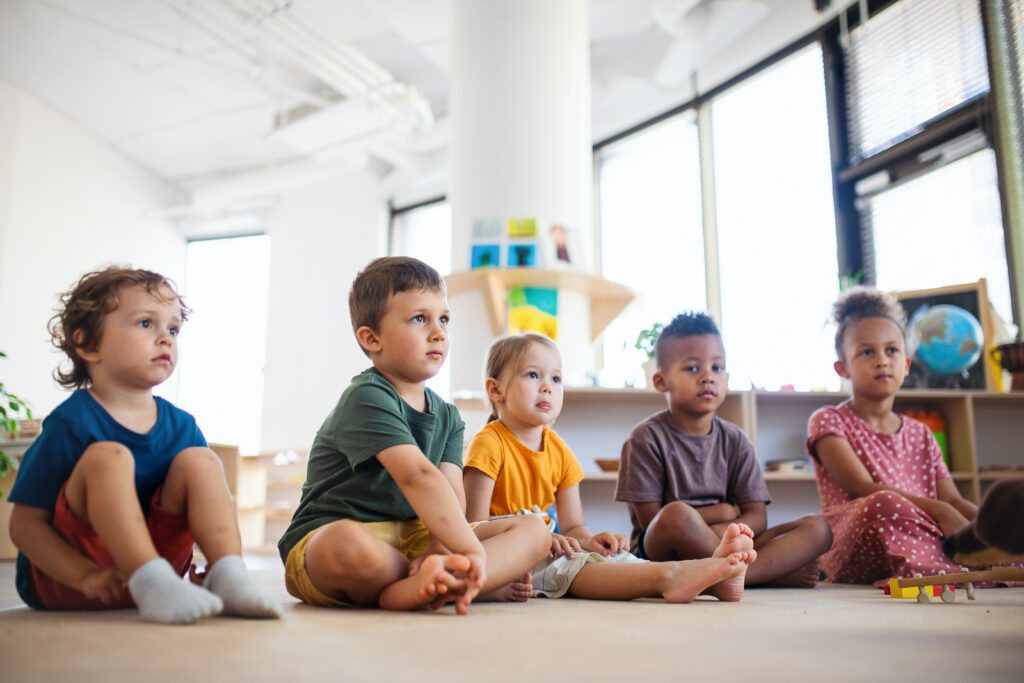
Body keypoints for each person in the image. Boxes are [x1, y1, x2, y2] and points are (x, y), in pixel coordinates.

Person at [8, 267, 281, 624]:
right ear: (89, 344)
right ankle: (148, 578)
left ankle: (228, 574)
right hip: (78, 578)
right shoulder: (71, 422)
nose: (166, 338)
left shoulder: (182, 426)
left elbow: (207, 506)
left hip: (166, 574)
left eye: (172, 329)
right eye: (145, 324)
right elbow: (25, 525)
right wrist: (84, 576)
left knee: (201, 460)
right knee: (109, 456)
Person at [277, 257, 549, 615]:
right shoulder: (367, 396)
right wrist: (470, 553)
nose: (438, 332)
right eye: (420, 319)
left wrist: (440, 547)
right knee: (344, 544)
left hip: (417, 539)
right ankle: (452, 581)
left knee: (535, 530)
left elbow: (452, 492)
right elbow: (418, 477)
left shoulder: (448, 416)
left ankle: (441, 580)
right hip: (347, 536)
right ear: (371, 338)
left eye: (444, 319)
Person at [464, 333, 755, 603]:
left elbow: (574, 526)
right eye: (532, 375)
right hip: (512, 556)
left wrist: (590, 540)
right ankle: (668, 578)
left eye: (556, 379)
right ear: (495, 389)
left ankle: (712, 579)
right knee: (578, 570)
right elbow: (474, 528)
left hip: (550, 549)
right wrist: (541, 540)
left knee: (613, 559)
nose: (547, 387)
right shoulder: (489, 443)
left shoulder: (560, 450)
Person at [616, 312, 832, 587]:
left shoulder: (736, 440)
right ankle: (755, 576)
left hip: (730, 540)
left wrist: (726, 530)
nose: (708, 377)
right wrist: (723, 514)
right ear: (661, 381)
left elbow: (757, 518)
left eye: (717, 368)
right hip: (665, 553)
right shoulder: (645, 438)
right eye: (692, 368)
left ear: (727, 378)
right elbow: (655, 523)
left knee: (819, 527)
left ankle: (734, 576)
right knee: (677, 515)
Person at [806, 287, 978, 584]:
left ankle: (955, 563)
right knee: (884, 502)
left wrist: (990, 526)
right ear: (842, 368)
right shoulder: (828, 420)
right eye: (867, 352)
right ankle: (943, 569)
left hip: (925, 532)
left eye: (892, 350)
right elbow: (862, 487)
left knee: (1001, 519)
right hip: (855, 545)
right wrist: (938, 509)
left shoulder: (921, 433)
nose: (882, 360)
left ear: (906, 365)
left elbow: (953, 499)